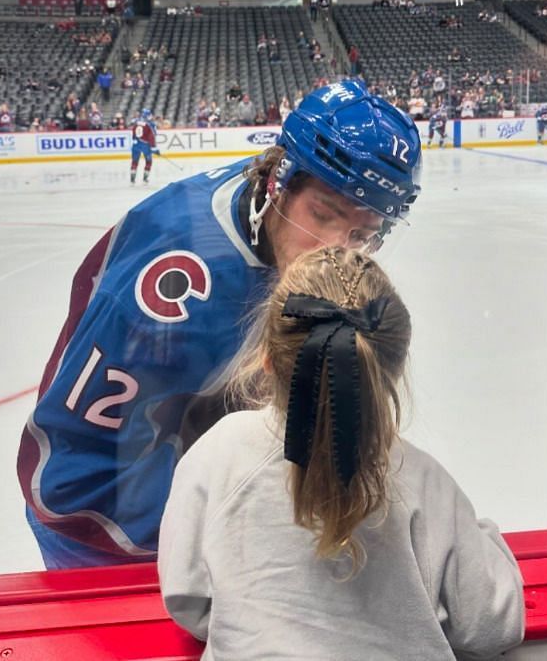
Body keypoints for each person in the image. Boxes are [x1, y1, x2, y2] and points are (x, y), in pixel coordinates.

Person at [17, 80, 423, 569]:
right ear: (278, 179)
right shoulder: (173, 289)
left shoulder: (273, 216)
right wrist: (213, 533)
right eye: (323, 214)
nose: (335, 249)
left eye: (362, 234)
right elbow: (69, 474)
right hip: (104, 534)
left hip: (188, 488)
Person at [159, 247, 524, 659]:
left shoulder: (217, 454)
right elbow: (492, 626)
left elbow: (187, 597)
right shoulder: (424, 481)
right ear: (393, 369)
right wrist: (485, 536)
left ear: (266, 357)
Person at [130, 108, 158, 184]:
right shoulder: (150, 124)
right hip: (145, 145)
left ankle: (132, 179)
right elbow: (152, 136)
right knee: (149, 161)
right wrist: (154, 148)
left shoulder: (136, 122)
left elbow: (133, 133)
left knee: (134, 161)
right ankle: (145, 178)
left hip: (135, 144)